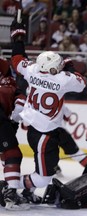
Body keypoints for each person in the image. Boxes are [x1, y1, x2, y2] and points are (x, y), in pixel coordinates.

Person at [1, 16, 86, 209]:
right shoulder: (63, 79)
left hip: (36, 130)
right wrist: (70, 67)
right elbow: (81, 83)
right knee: (43, 178)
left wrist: (18, 37)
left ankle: (19, 189)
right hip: (44, 134)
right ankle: (10, 187)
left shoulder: (33, 71)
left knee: (45, 173)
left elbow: (17, 60)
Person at [0, 57, 30, 210]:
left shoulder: (8, 82)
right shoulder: (8, 84)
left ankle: (9, 189)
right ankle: (10, 192)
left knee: (6, 153)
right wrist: (13, 121)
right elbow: (19, 102)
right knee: (12, 153)